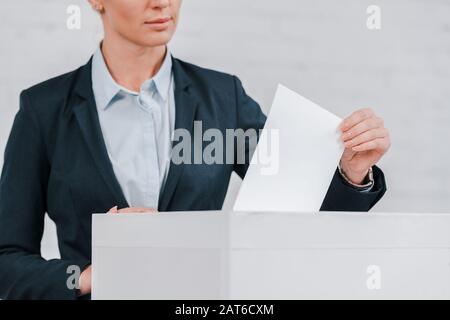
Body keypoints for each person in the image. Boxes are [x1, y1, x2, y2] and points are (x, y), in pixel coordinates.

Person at [0, 0, 390, 299]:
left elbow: (301, 212)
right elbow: (7, 259)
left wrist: (351, 173)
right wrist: (86, 277)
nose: (162, 2)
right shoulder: (44, 110)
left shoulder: (223, 99)